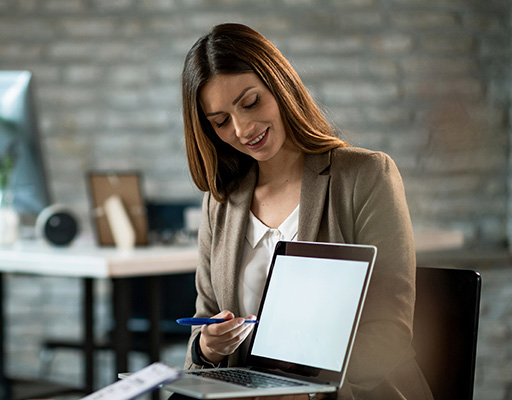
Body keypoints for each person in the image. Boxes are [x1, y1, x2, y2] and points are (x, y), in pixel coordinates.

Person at [179, 23, 433, 400]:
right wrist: (208, 348)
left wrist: (309, 387)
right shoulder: (222, 202)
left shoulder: (364, 175)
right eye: (220, 121)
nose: (243, 128)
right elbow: (203, 324)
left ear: (279, 85)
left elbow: (390, 332)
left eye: (250, 103)